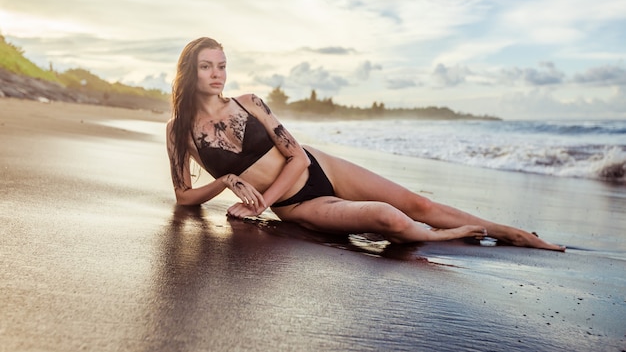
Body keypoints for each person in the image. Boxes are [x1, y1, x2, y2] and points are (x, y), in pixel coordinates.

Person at [166, 37, 565, 251]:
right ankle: (447, 234)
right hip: (299, 204)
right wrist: (226, 181)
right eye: (207, 66)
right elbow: (184, 196)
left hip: (318, 168)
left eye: (221, 65)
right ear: (190, 71)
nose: (217, 74)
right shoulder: (178, 131)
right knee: (387, 218)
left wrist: (262, 203)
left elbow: (298, 157)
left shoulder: (249, 103)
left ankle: (510, 233)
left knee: (419, 205)